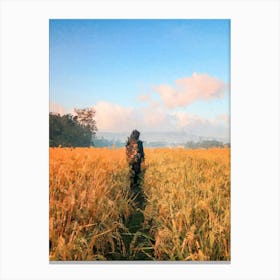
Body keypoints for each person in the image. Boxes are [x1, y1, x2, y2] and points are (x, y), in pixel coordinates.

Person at [125, 129, 145, 195]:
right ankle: (135, 189)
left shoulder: (129, 142)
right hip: (136, 161)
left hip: (130, 161)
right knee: (136, 174)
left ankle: (131, 188)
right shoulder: (139, 143)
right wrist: (142, 160)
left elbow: (127, 152)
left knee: (131, 174)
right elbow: (142, 153)